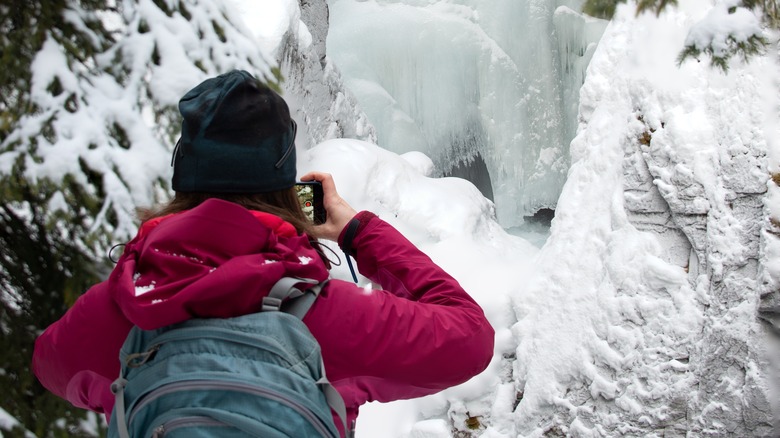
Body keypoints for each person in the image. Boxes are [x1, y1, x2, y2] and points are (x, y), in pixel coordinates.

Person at [32, 70, 495, 436]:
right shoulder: (330, 321)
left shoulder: (122, 310)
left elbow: (49, 366)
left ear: (184, 175)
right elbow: (470, 338)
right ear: (285, 189)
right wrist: (357, 230)